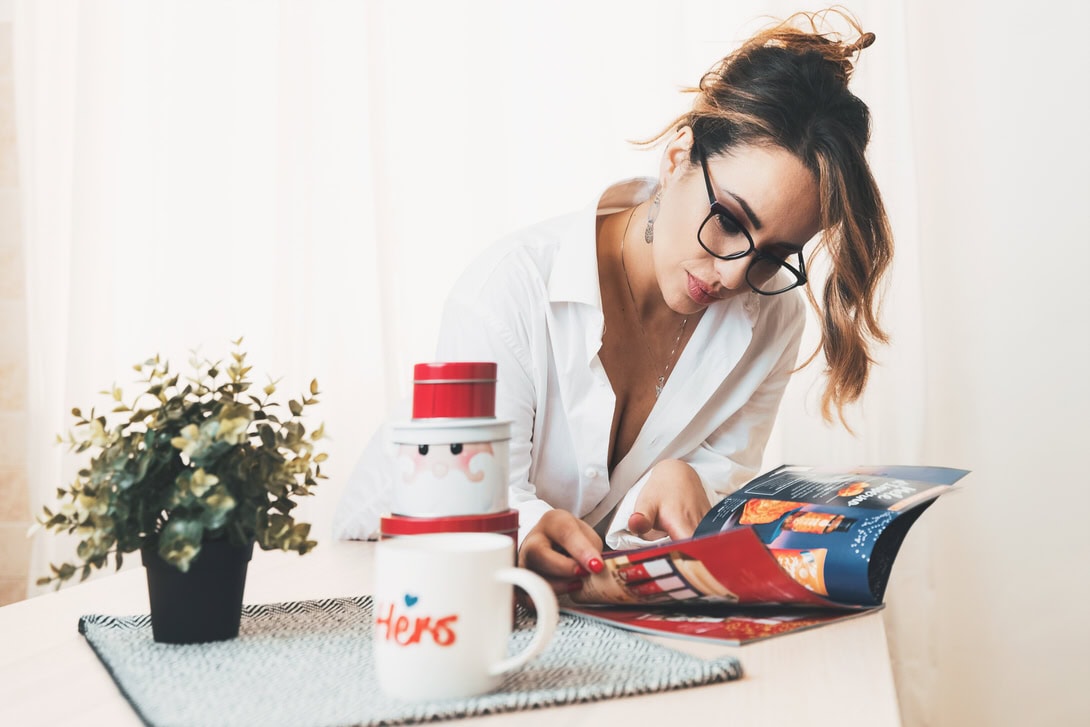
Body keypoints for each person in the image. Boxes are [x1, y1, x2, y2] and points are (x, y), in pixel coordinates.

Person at [334, 9, 892, 595]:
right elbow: (465, 494)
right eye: (728, 219)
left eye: (774, 255)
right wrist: (529, 525)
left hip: (558, 607)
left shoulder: (771, 319)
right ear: (679, 157)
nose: (733, 273)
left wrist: (683, 482)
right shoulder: (509, 289)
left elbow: (706, 504)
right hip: (375, 580)